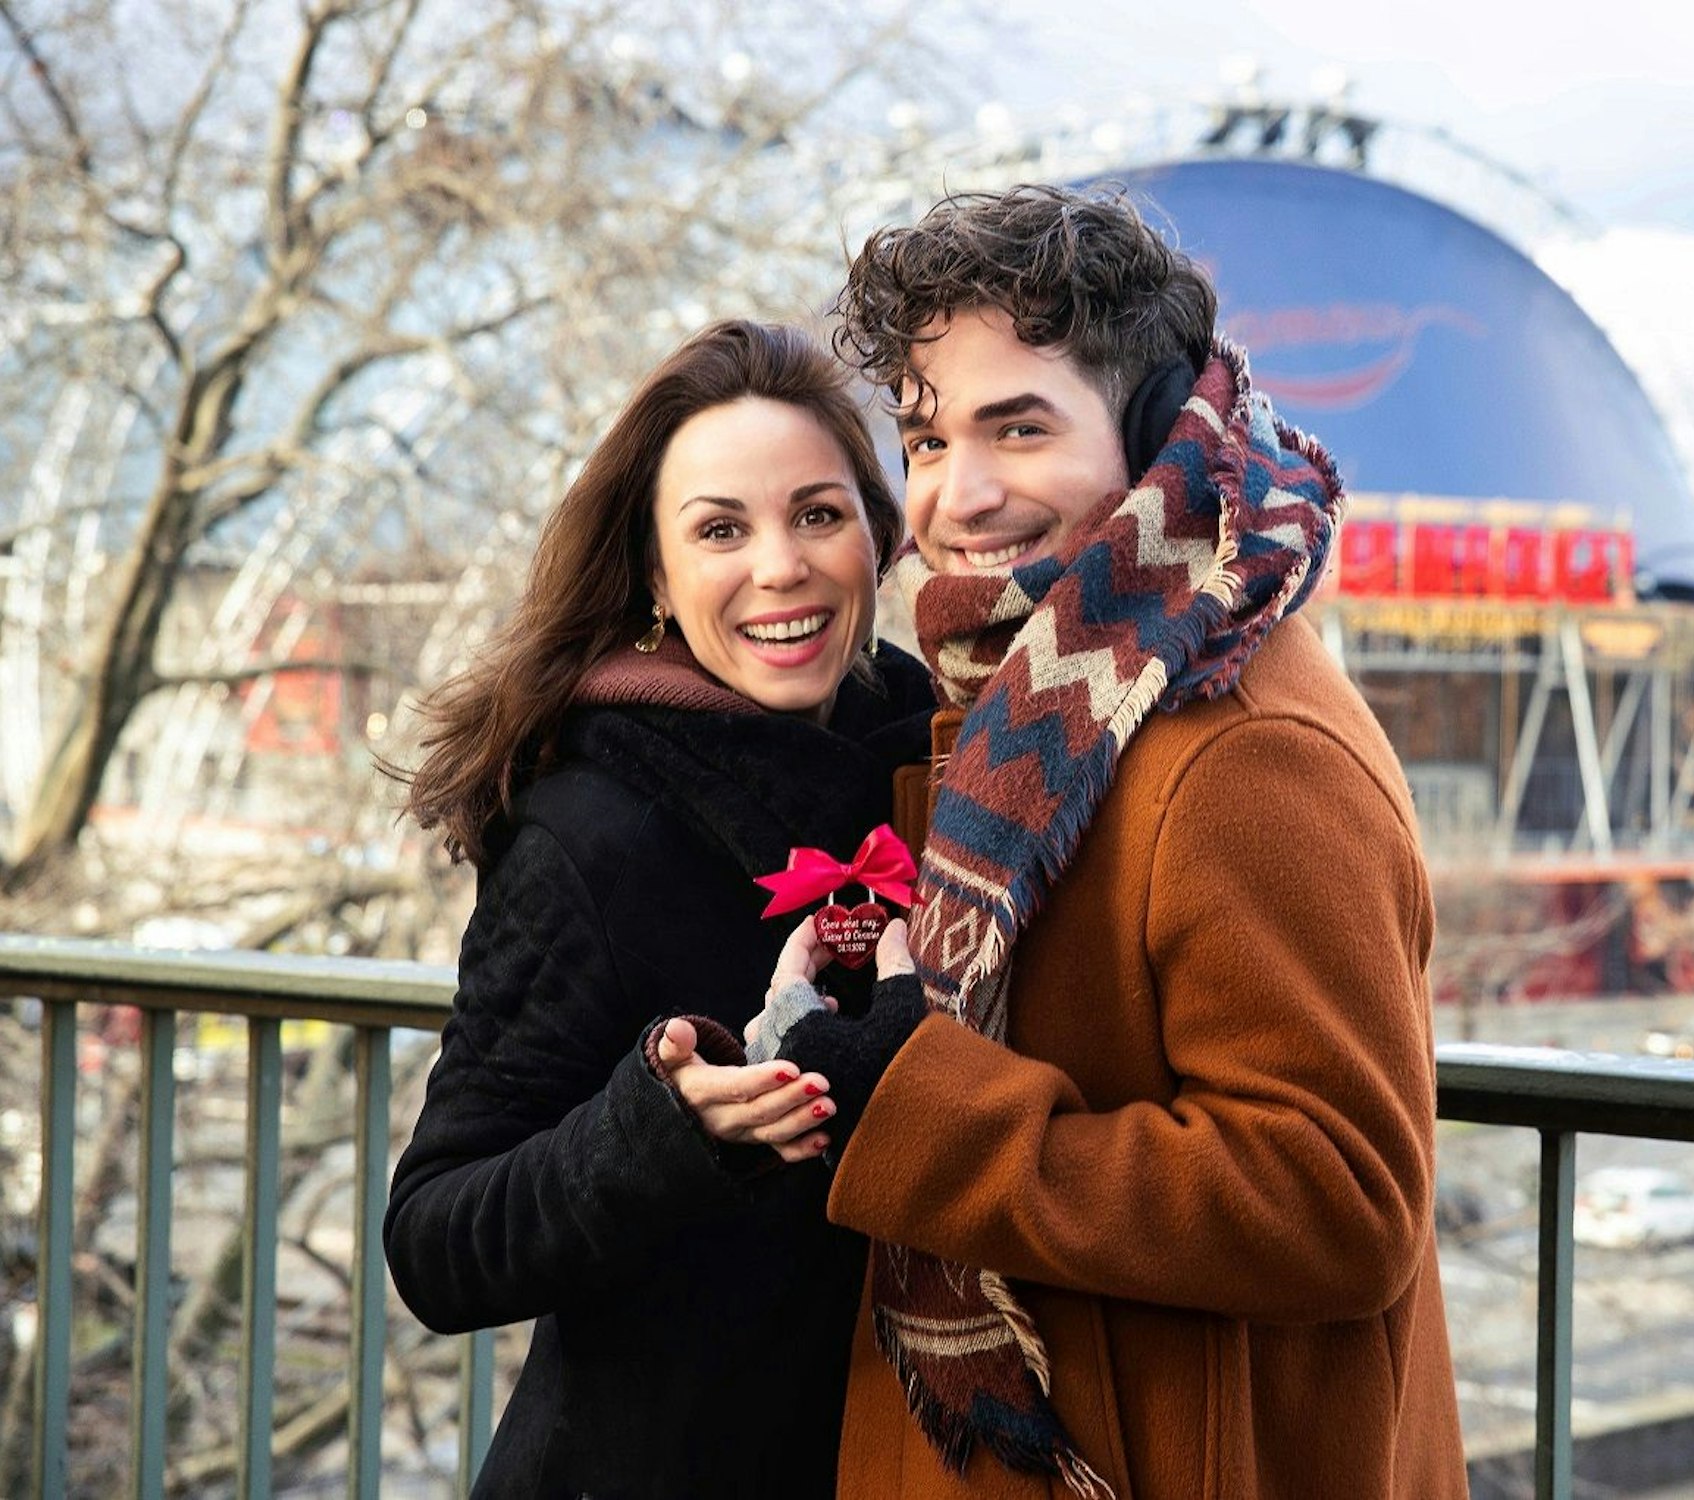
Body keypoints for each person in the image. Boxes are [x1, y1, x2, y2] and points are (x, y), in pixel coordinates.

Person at [759, 186, 1469, 1498]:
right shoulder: (1048, 697)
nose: (958, 495)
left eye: (1018, 429)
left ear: (1153, 436)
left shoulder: (1242, 749)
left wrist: (918, 1104)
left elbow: (1338, 1199)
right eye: (925, 441)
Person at [381, 320, 936, 1499]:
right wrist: (662, 1131)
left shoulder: (950, 770)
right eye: (719, 530)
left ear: (877, 538)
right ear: (653, 576)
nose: (779, 567)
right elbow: (435, 1240)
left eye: (817, 514)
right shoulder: (591, 832)